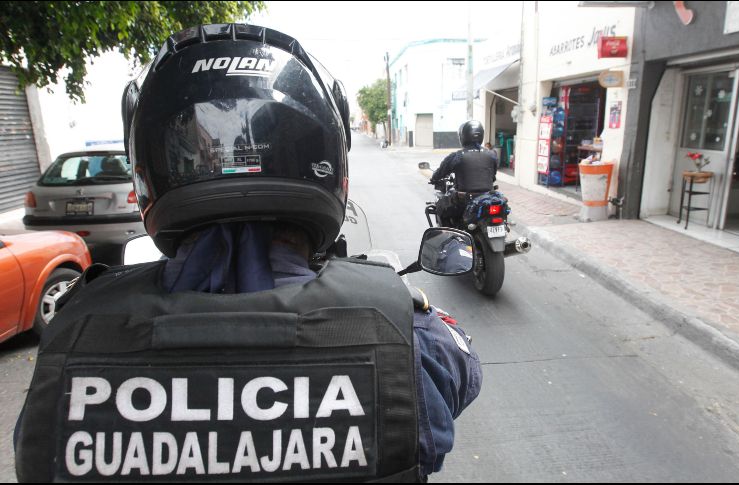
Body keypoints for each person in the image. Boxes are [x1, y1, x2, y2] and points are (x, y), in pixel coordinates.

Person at [14, 24, 481, 483]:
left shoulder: (74, 339)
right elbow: (462, 368)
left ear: (150, 167)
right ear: (326, 157)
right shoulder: (402, 334)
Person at [430, 120, 497, 227]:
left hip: (464, 200)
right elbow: (493, 176)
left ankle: (450, 238)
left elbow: (441, 171)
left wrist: (434, 178)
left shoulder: (458, 156)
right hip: (488, 198)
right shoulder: (492, 154)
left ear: (463, 136)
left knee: (441, 206)